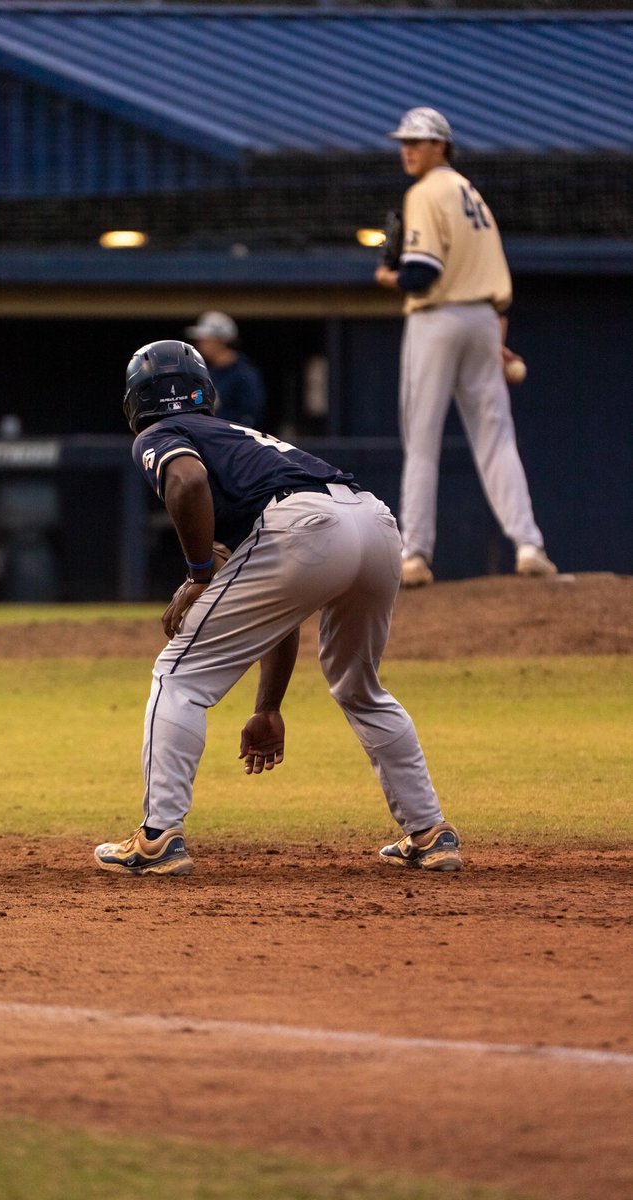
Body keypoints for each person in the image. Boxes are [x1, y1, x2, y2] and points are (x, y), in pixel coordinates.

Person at [94, 340, 462, 877]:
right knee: (361, 688)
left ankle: (157, 838)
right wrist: (268, 706)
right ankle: (430, 832)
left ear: (135, 402)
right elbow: (280, 605)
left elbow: (187, 480)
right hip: (374, 523)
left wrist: (198, 574)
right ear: (205, 391)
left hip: (300, 524)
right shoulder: (240, 438)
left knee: (179, 677)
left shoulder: (160, 434)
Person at [374, 106, 557, 588]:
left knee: (422, 439)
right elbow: (496, 282)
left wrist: (389, 276)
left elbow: (422, 274)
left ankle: (415, 553)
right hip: (484, 319)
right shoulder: (472, 194)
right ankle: (529, 545)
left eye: (417, 142)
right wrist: (497, 341)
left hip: (437, 319)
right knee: (496, 438)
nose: (407, 150)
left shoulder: (425, 192)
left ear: (441, 146)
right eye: (404, 143)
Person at [184, 311, 266, 427]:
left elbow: (250, 414)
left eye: (205, 340)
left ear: (220, 341)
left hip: (230, 435)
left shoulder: (244, 374)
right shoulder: (204, 371)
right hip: (206, 432)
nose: (200, 344)